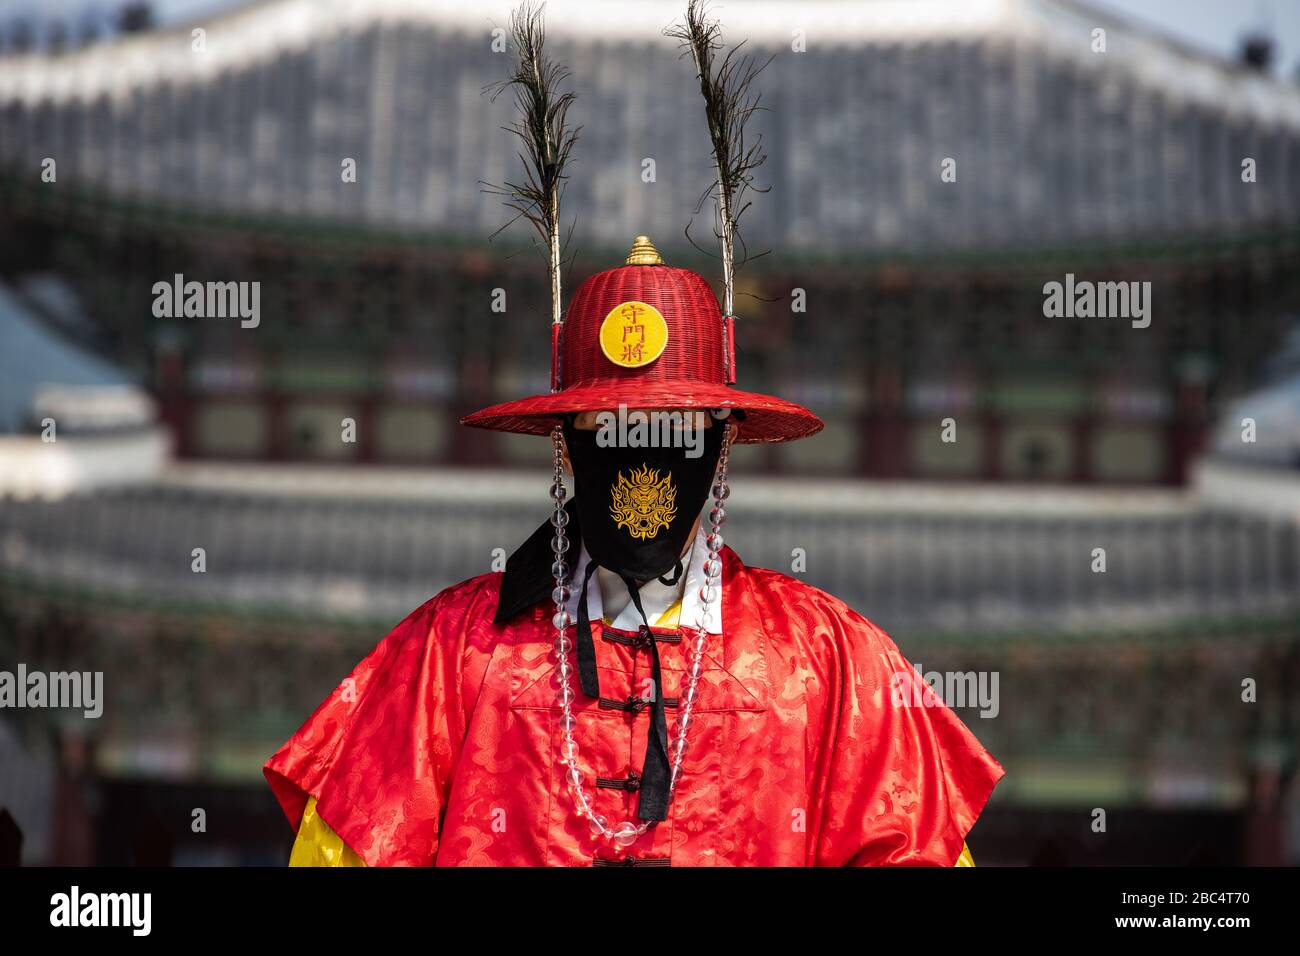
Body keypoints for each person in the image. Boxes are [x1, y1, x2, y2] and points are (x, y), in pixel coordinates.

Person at [264, 236, 1003, 866]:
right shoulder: (449, 655)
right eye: (610, 429)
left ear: (718, 447)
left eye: (673, 430)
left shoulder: (833, 661)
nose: (642, 456)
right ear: (567, 445)